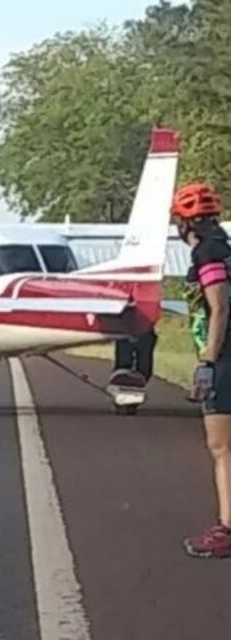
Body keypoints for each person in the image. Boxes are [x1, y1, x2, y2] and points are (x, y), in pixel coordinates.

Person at [171, 183, 231, 558]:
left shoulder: (207, 253)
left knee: (222, 447)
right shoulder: (224, 248)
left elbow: (220, 307)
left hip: (225, 359)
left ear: (183, 222)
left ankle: (226, 528)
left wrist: (208, 359)